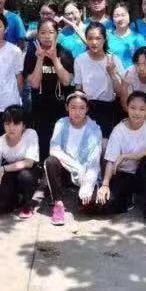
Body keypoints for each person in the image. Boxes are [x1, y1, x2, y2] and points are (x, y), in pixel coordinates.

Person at [96, 92, 146, 227]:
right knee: (106, 205)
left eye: (142, 109)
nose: (137, 113)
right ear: (127, 108)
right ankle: (128, 198)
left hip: (144, 175)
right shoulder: (119, 130)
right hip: (125, 174)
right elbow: (110, 160)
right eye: (133, 108)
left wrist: (125, 156)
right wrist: (105, 184)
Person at [44, 92, 103, 226]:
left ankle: (81, 196)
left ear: (87, 109)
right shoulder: (61, 123)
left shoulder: (94, 129)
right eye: (73, 107)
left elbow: (94, 161)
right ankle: (58, 203)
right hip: (66, 169)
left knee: (90, 206)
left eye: (82, 108)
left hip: (86, 172)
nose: (77, 112)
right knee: (51, 161)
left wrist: (88, 185)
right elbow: (54, 149)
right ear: (67, 108)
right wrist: (76, 167)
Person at [23, 18, 74, 160]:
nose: (47, 36)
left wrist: (54, 58)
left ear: (57, 34)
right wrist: (40, 59)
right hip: (40, 108)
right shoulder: (32, 53)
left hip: (61, 107)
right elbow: (34, 83)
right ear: (38, 34)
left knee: (61, 145)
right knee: (43, 144)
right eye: (43, 32)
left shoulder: (65, 53)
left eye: (51, 32)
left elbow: (66, 81)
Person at [0, 105, 40, 223]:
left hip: (28, 171)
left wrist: (4, 168)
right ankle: (15, 200)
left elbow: (29, 162)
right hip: (11, 174)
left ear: (23, 125)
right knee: (4, 206)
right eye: (7, 124)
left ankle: (27, 203)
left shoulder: (30, 134)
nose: (11, 128)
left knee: (25, 176)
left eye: (16, 123)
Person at [73, 21, 124, 141]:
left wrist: (111, 73)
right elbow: (78, 88)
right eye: (90, 38)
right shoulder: (80, 60)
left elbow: (120, 91)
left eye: (98, 38)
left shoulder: (113, 60)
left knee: (105, 144)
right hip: (88, 108)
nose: (94, 42)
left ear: (104, 39)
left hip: (108, 108)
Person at [107, 2, 146, 69]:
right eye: (116, 16)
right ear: (112, 19)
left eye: (123, 15)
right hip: (111, 74)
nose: (120, 19)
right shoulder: (107, 38)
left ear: (129, 16)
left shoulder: (138, 38)